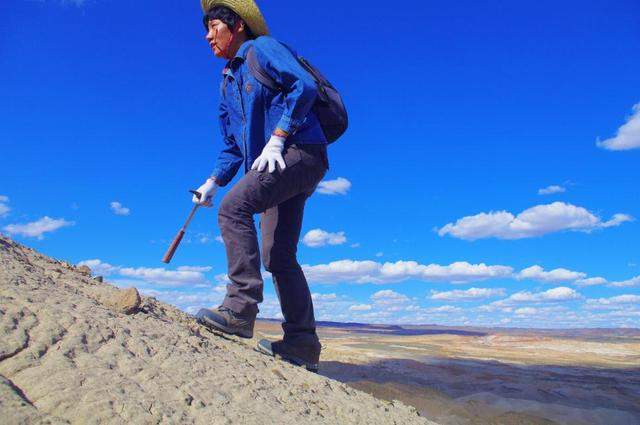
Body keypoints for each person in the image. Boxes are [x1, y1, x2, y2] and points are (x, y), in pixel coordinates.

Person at [193, 0, 329, 373]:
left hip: (298, 152)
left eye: (213, 27)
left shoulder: (261, 48)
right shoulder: (227, 82)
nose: (207, 36)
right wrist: (213, 181)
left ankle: (240, 308)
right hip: (273, 164)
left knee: (234, 209)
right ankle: (302, 343)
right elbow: (231, 146)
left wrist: (279, 136)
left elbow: (303, 86)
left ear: (235, 25)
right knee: (277, 255)